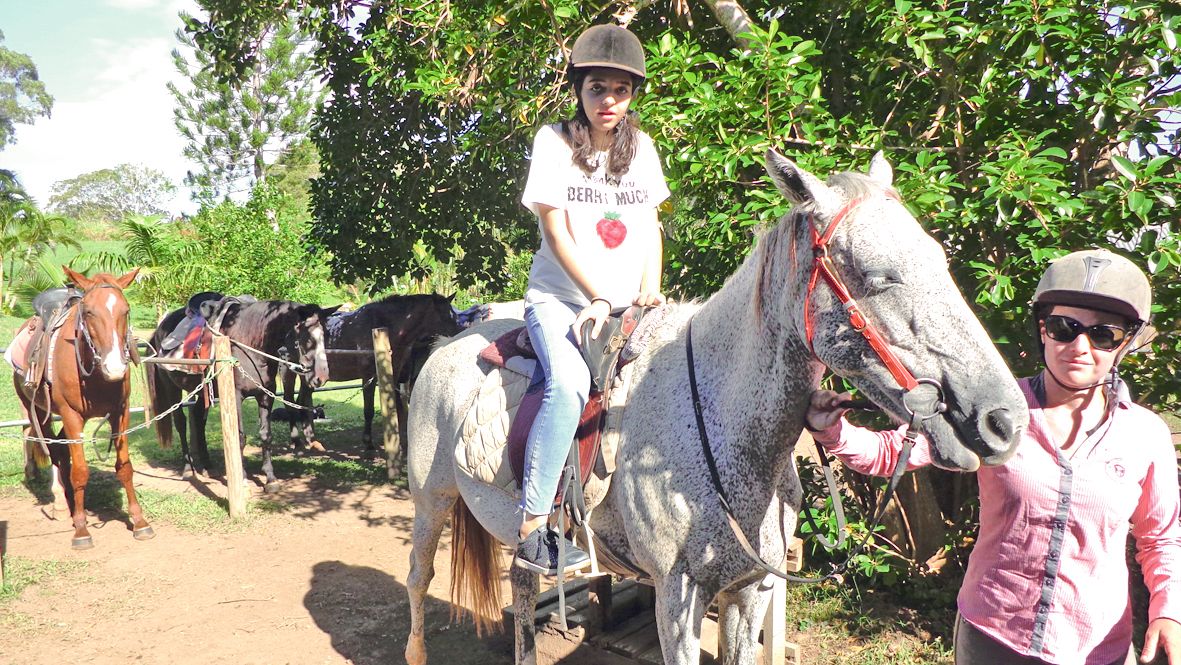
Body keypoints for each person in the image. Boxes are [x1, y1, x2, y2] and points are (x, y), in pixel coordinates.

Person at [805, 249, 1181, 664]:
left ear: (1124, 343)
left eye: (1103, 334)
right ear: (1042, 330)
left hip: (1095, 648)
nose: (1080, 346)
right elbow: (891, 453)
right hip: (994, 637)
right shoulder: (994, 413)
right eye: (1063, 327)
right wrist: (832, 430)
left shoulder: (1146, 434)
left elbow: (1162, 537)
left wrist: (1169, 611)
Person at [514, 23, 670, 575]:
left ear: (633, 94)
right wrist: (599, 296)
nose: (608, 100)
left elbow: (650, 225)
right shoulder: (553, 143)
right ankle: (533, 529)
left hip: (628, 306)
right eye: (597, 88)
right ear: (578, 89)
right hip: (559, 300)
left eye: (620, 90)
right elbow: (556, 233)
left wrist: (649, 289)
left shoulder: (642, 148)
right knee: (571, 382)